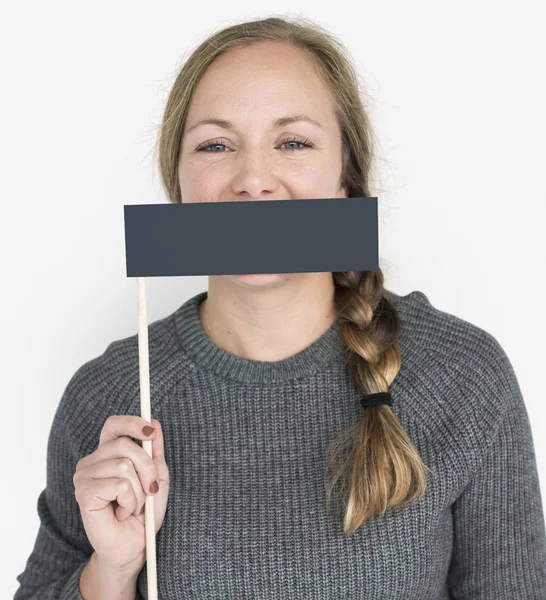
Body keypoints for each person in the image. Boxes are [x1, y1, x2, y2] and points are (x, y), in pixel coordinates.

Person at [14, 15, 546, 600]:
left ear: (345, 177)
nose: (253, 179)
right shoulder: (108, 397)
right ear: (179, 183)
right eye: (216, 145)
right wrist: (111, 571)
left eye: (292, 142)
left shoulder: (464, 376)